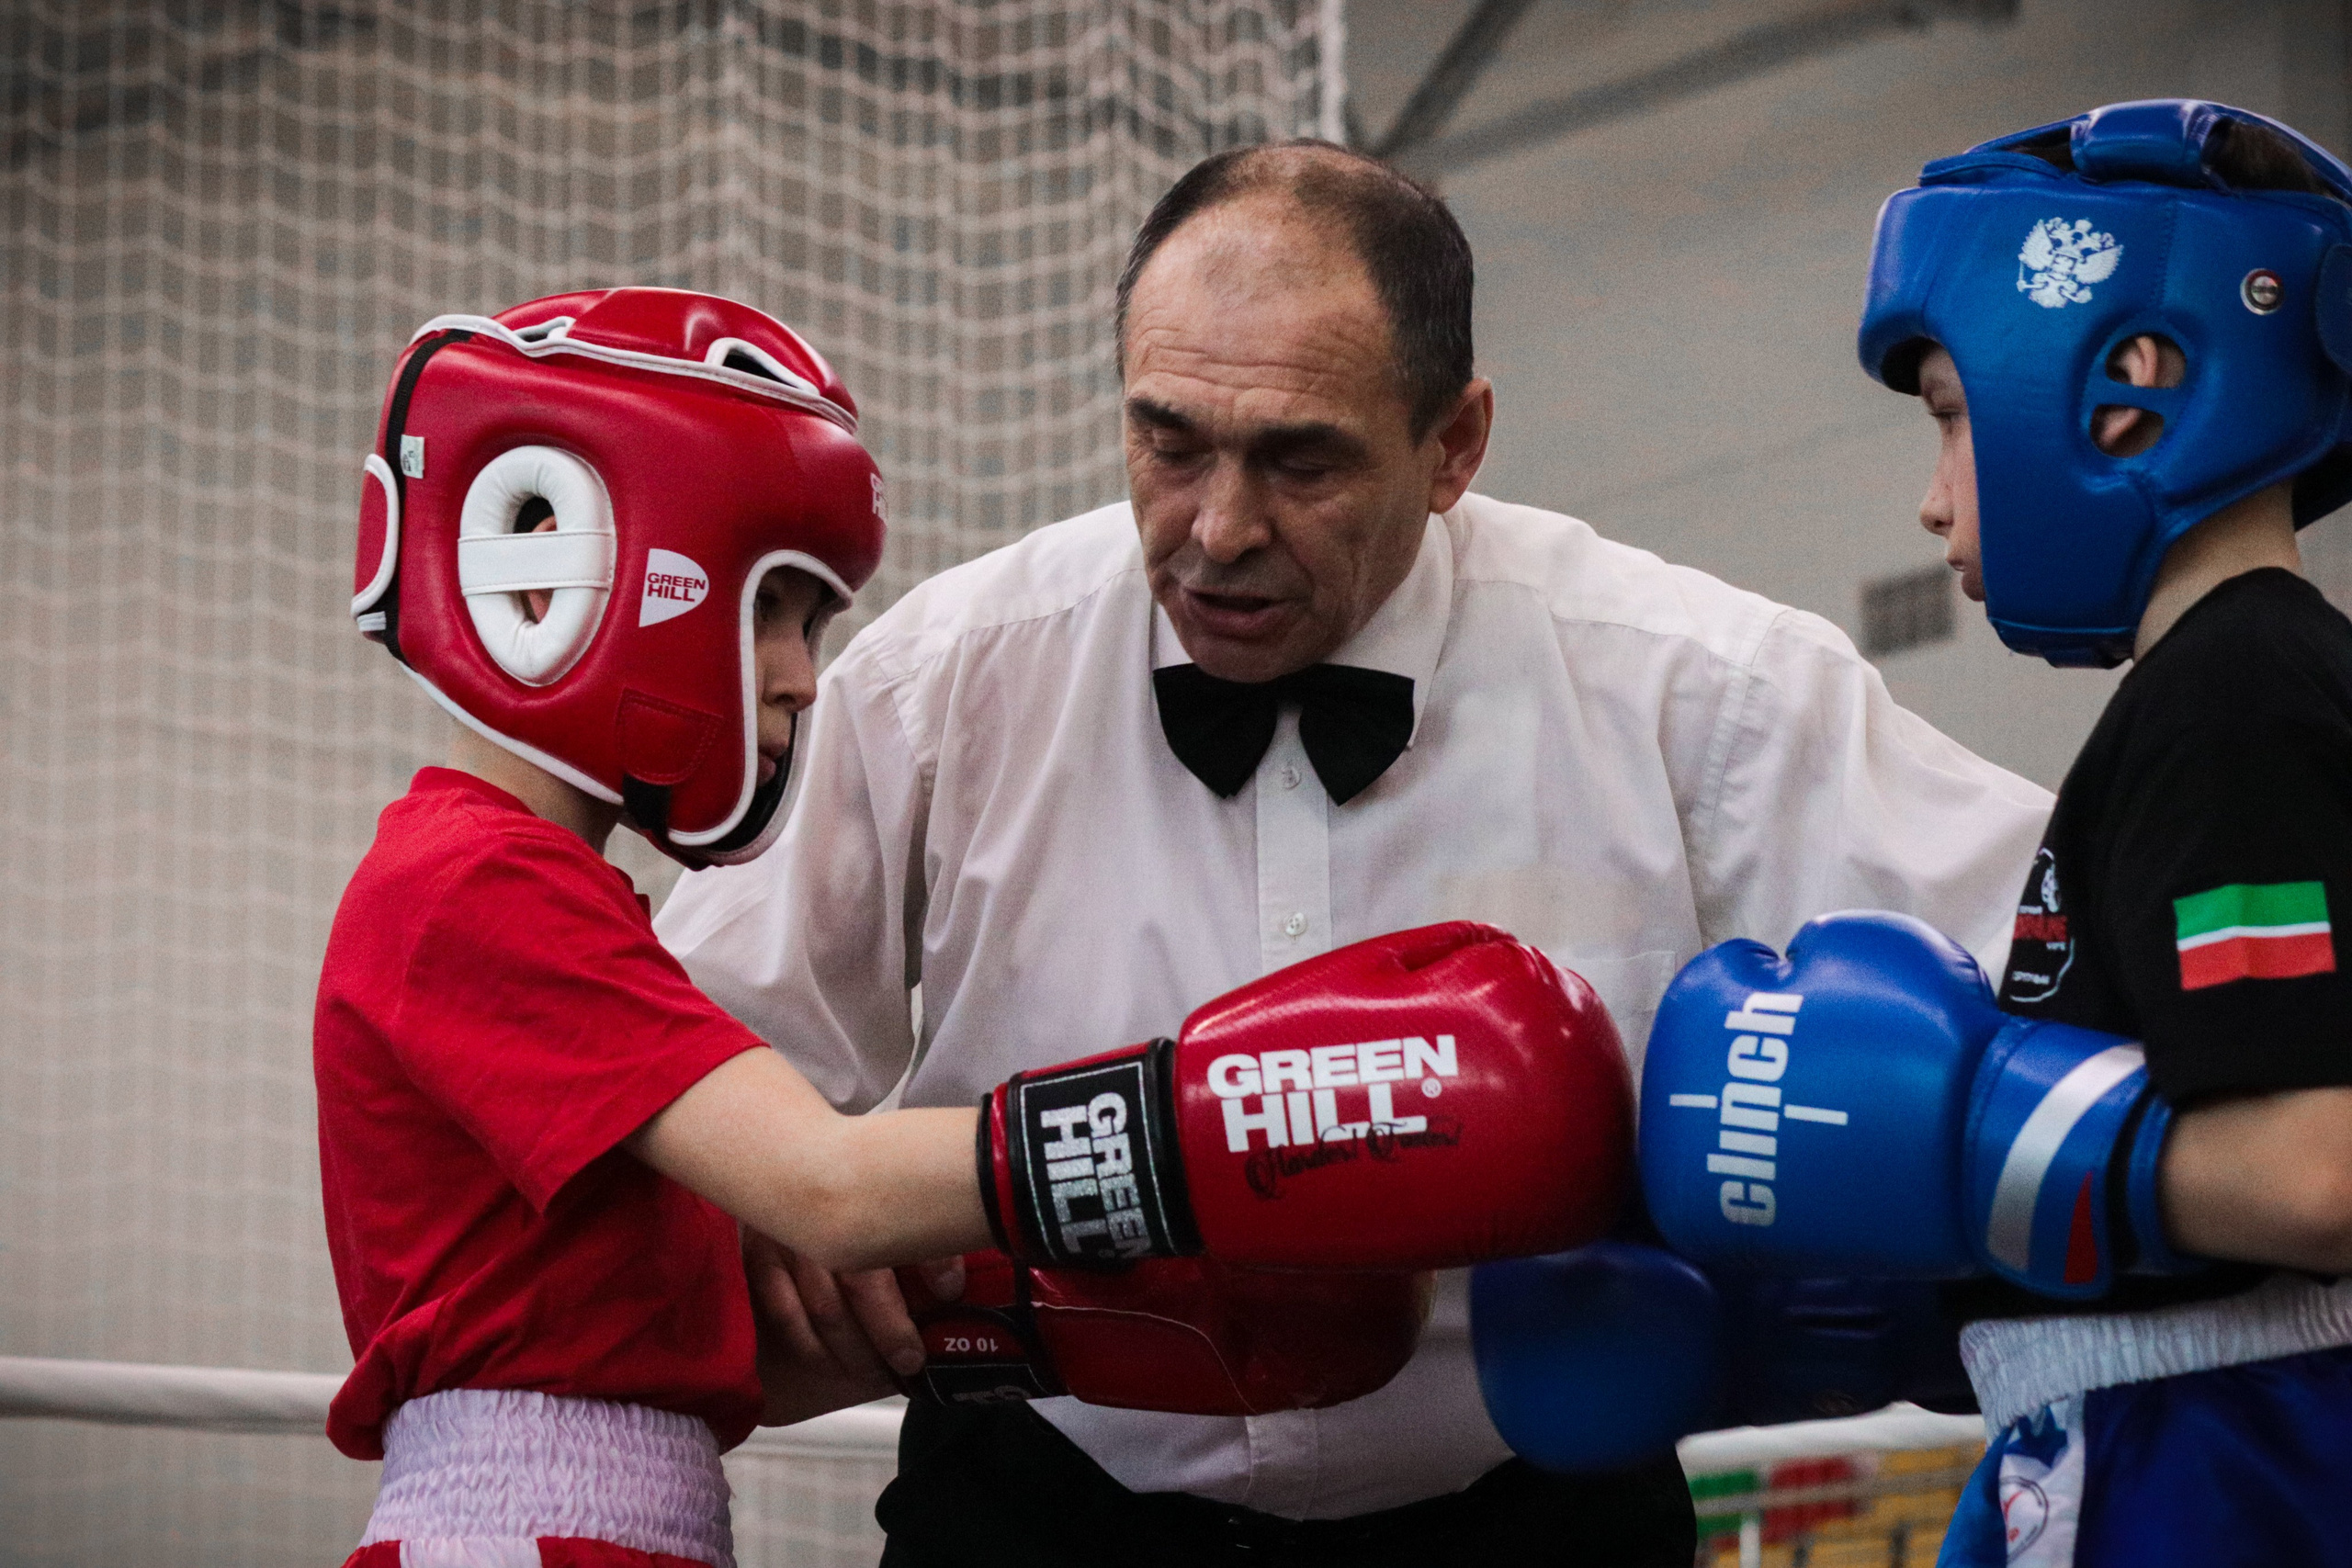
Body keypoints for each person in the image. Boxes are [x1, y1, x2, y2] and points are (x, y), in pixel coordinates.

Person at [654, 141, 2054, 1567]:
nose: (1217, 528)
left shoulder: (1698, 687)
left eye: (1299, 459)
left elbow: (2065, 970)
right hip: (1044, 1500)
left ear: (1455, 445)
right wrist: (799, 1226)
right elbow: (677, 1064)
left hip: (1529, 1515)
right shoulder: (946, 682)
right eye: (1169, 439)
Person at [318, 286, 1623, 1568]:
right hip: (521, 1532)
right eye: (767, 605)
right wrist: (1215, 1130)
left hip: (619, 1516)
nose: (795, 675)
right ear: (556, 579)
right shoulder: (470, 886)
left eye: (809, 621)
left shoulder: (536, 889)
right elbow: (824, 1186)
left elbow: (707, 1338)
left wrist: (1026, 1315)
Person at [1639, 101, 2352, 1567]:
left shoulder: (2236, 697)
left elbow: (2316, 1169)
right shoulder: (2236, 687)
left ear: (2130, 389)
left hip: (2229, 1454)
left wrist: (1967, 1147)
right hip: (2195, 1431)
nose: (1930, 497)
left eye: (1952, 419)